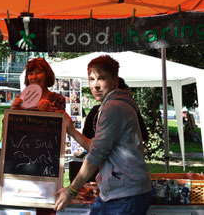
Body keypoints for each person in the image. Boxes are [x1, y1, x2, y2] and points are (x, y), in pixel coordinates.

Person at [54, 55, 152, 214]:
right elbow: (97, 147)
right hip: (113, 193)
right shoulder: (110, 105)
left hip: (125, 195)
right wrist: (71, 129)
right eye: (91, 79)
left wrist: (71, 190)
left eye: (102, 78)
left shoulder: (114, 107)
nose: (95, 85)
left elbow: (96, 155)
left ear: (115, 80)